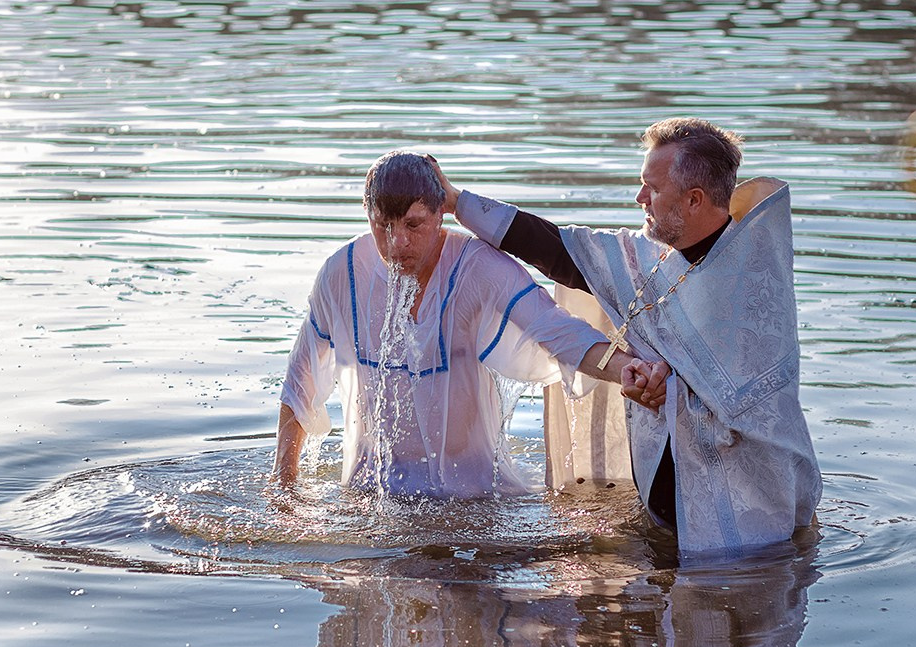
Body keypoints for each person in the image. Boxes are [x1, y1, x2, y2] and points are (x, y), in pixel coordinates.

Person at [440, 118, 821, 557]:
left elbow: (734, 398)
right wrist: (456, 202)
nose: (639, 198)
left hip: (751, 536)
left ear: (694, 200)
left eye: (652, 190)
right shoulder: (654, 259)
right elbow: (559, 251)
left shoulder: (752, 278)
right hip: (665, 525)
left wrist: (662, 384)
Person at [275, 151, 668, 497]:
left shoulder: (478, 268)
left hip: (471, 495)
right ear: (367, 216)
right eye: (383, 226)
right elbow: (299, 382)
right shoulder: (341, 273)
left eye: (413, 225)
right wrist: (284, 489)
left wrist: (627, 370)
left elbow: (560, 332)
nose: (398, 244)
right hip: (370, 490)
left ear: (439, 213)